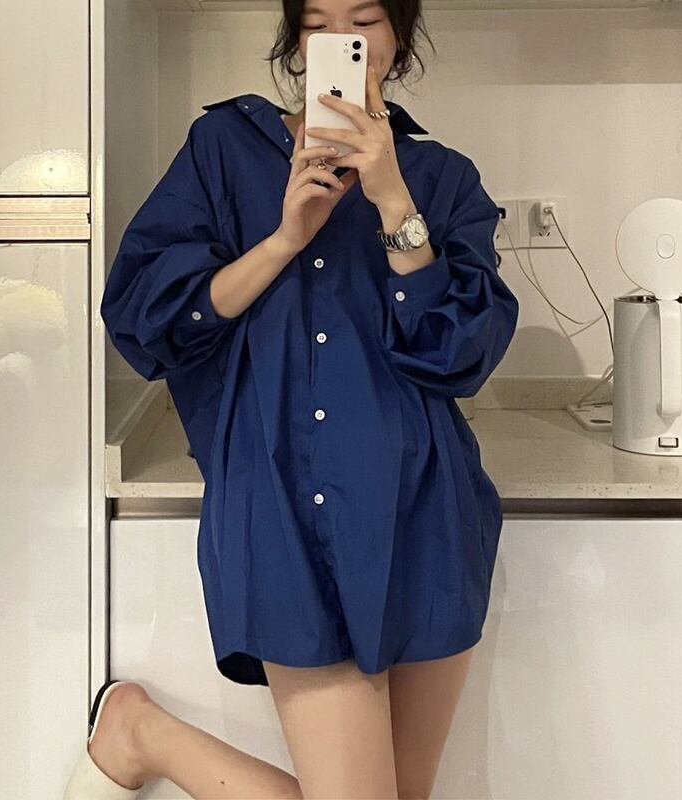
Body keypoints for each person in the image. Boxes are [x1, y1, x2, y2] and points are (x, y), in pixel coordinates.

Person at [66, 1, 520, 798]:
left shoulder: (442, 177)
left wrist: (393, 200)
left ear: (398, 39)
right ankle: (144, 735)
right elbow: (145, 321)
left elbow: (461, 354)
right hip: (282, 509)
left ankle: (140, 734)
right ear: (295, 42)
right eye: (318, 20)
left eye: (365, 18)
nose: (341, 38)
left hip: (423, 512)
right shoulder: (223, 150)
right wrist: (283, 239)